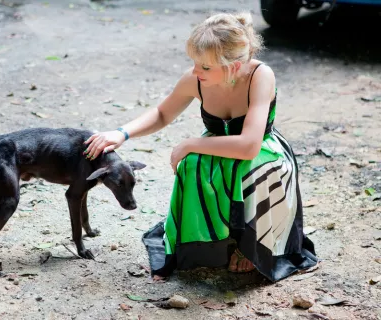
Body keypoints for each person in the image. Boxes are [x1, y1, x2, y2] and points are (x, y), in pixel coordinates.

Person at [83, 12, 317, 282]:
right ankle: (211, 242)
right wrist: (122, 133)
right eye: (195, 63)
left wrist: (191, 143)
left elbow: (249, 146)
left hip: (262, 151)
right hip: (216, 145)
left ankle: (251, 245)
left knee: (252, 170)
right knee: (193, 166)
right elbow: (162, 113)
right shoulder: (195, 79)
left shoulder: (260, 76)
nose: (196, 71)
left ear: (235, 65)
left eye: (205, 67)